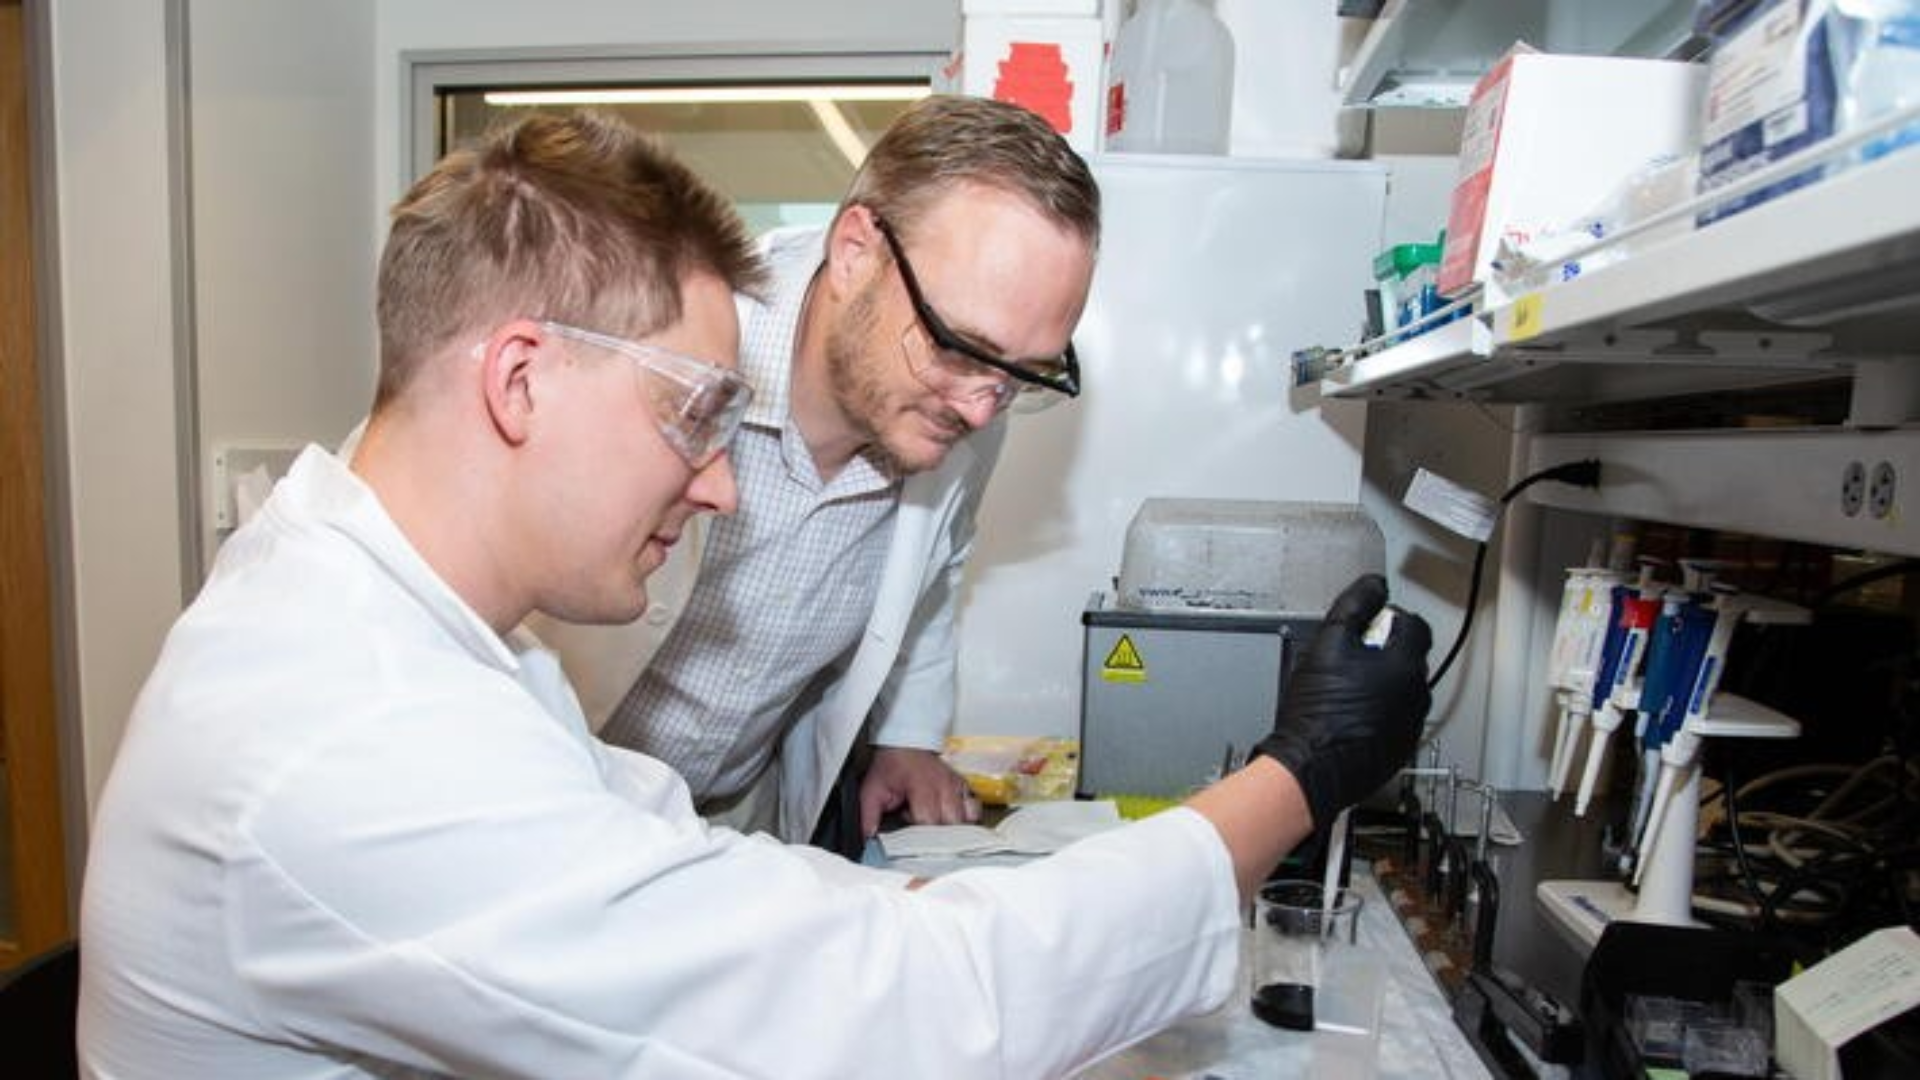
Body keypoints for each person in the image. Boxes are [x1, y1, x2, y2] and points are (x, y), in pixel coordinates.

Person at [77, 111, 1432, 1079]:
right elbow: (885, 1013)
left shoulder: (404, 632)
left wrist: (897, 881)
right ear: (520, 379)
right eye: (692, 414)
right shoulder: (359, 733)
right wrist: (1295, 774)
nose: (727, 485)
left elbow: (710, 877)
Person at [540, 94, 1100, 848]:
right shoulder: (681, 340)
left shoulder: (961, 408)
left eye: (1021, 376)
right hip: (559, 794)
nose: (979, 410)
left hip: (738, 816)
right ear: (856, 251)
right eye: (959, 348)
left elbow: (936, 568)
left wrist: (908, 735)